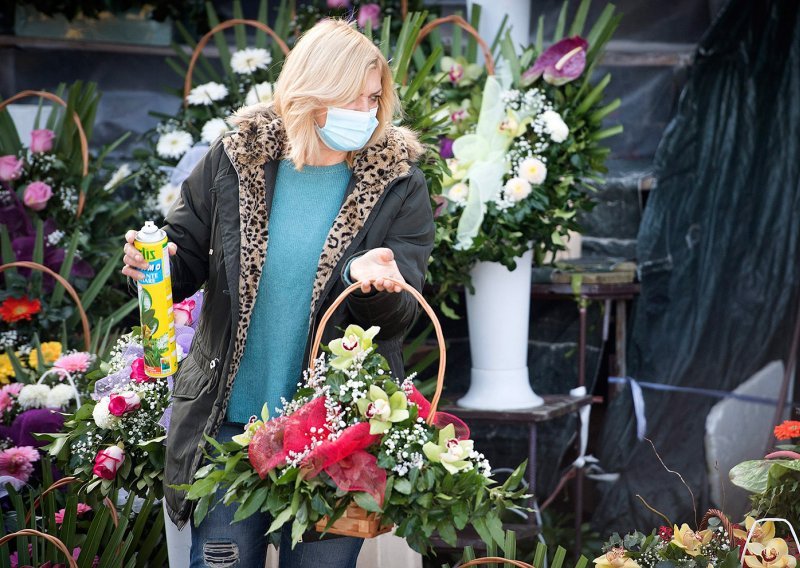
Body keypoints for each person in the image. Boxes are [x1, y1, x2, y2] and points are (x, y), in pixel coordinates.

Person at [121, 18, 434, 568]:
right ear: (315, 92)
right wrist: (160, 258)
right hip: (230, 428)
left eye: (374, 98)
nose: (368, 112)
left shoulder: (398, 182)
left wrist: (370, 280)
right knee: (219, 560)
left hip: (335, 440)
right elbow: (187, 252)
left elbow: (401, 311)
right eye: (356, 98)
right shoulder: (236, 160)